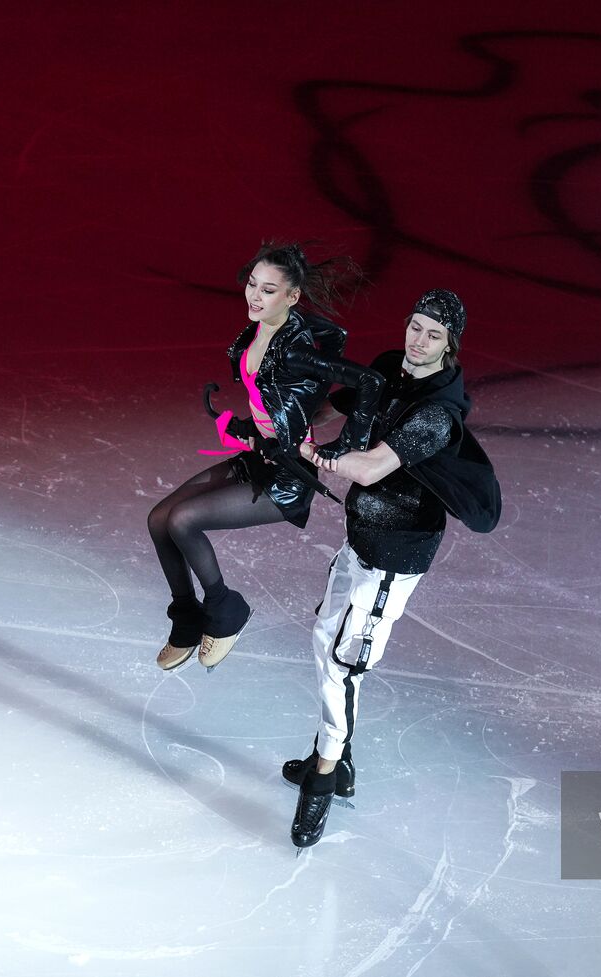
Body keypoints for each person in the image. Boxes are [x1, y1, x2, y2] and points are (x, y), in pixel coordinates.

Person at [283, 288, 500, 849]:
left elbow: (372, 468)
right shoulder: (385, 370)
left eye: (433, 333)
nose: (418, 339)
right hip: (361, 537)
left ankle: (325, 779)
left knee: (346, 661)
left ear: (449, 344)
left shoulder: (435, 414)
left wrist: (302, 450)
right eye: (415, 325)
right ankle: (339, 757)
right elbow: (337, 404)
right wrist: (285, 405)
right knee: (326, 637)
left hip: (398, 551)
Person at [146, 242, 383, 672]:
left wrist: (343, 447)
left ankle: (225, 610)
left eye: (269, 290)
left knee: (183, 521)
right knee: (159, 519)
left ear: (291, 297)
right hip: (260, 456)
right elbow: (274, 403)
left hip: (286, 479)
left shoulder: (296, 349)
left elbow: (369, 382)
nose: (255, 296)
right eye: (253, 284)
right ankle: (186, 621)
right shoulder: (258, 332)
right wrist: (248, 429)